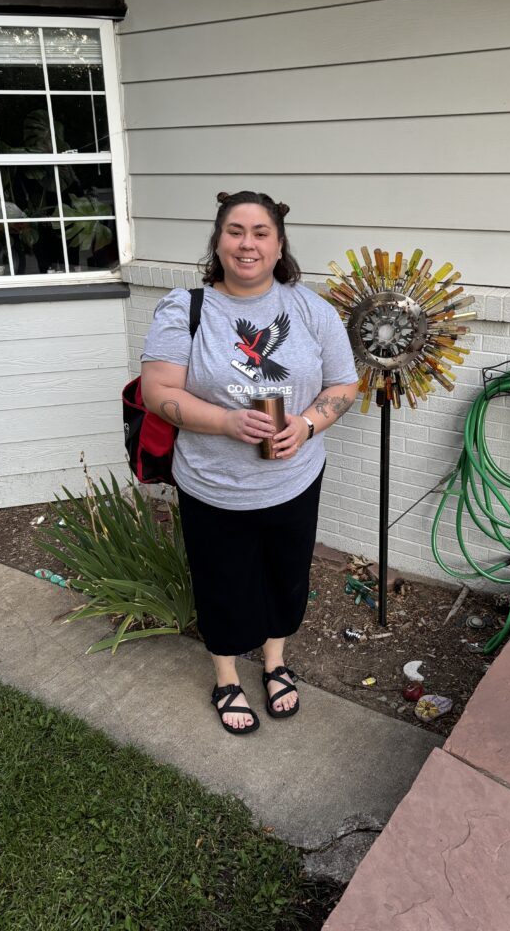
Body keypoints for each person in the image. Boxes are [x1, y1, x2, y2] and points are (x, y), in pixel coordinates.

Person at [141, 190, 359, 735]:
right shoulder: (184, 308)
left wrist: (307, 425)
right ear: (218, 241)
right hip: (212, 484)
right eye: (235, 231)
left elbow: (344, 384)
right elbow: (156, 390)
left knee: (285, 576)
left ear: (279, 243)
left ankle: (275, 663)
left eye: (261, 232)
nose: (247, 244)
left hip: (294, 479)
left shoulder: (310, 309)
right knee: (222, 582)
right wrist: (226, 422)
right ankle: (225, 677)